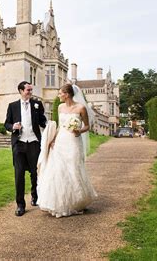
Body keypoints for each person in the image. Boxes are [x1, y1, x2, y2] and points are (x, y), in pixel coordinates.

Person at [37, 84, 98, 218]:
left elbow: (87, 126)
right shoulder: (60, 107)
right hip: (60, 141)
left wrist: (79, 130)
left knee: (73, 169)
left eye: (60, 93)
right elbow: (59, 126)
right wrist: (52, 140)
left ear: (67, 94)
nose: (59, 96)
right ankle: (60, 202)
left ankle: (77, 201)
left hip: (73, 141)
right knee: (59, 171)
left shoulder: (81, 108)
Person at [4, 81, 47, 216]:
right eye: (28, 90)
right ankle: (20, 205)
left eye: (31, 90)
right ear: (21, 91)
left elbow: (42, 121)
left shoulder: (37, 104)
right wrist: (12, 127)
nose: (30, 92)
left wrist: (50, 126)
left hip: (34, 142)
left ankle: (35, 196)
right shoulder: (13, 106)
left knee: (35, 172)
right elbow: (6, 123)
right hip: (19, 143)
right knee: (19, 174)